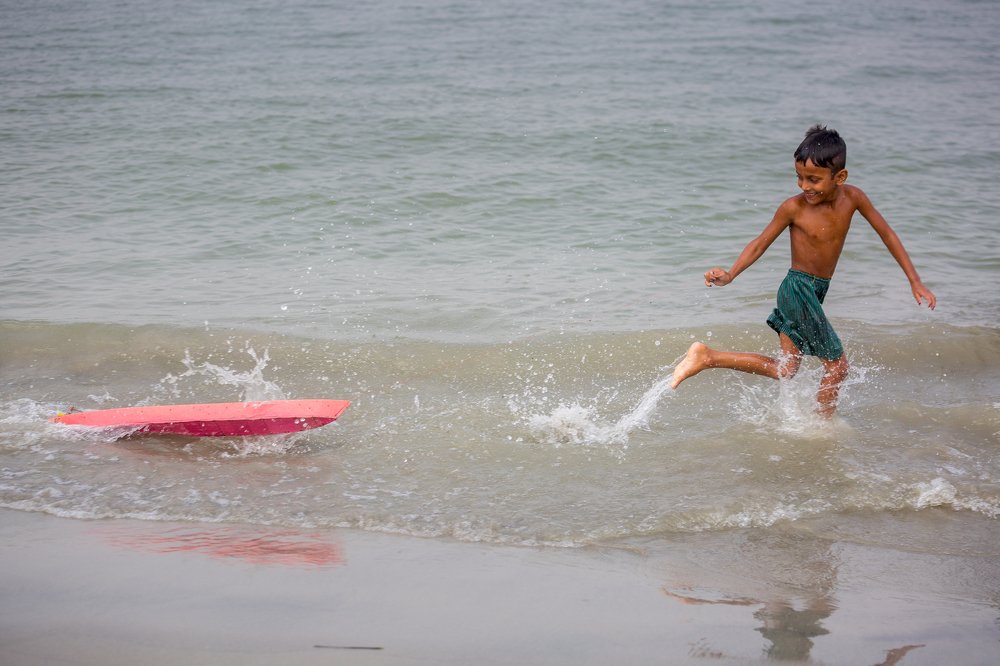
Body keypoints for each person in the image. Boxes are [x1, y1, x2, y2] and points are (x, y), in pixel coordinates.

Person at [671, 125, 936, 417]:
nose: (804, 186)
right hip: (797, 289)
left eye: (813, 179)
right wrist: (732, 274)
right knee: (838, 367)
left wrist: (915, 280)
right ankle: (825, 427)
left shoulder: (854, 198)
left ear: (840, 177)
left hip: (815, 290)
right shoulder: (793, 208)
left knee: (785, 369)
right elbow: (760, 243)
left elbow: (887, 234)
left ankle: (708, 357)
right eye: (799, 177)